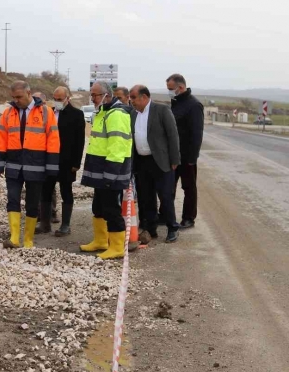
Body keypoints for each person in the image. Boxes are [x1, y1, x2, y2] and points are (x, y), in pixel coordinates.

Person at [0, 81, 60, 248]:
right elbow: (1, 138)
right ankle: (14, 238)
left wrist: (52, 166)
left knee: (32, 203)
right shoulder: (8, 113)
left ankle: (28, 240)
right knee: (13, 200)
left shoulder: (46, 112)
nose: (16, 100)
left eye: (19, 97)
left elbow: (53, 139)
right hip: (14, 165)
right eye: (14, 97)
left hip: (36, 166)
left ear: (29, 94)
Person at [79, 81, 133, 259]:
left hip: (111, 173)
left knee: (111, 210)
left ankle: (117, 247)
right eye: (91, 94)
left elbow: (117, 148)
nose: (92, 98)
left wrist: (110, 176)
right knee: (99, 208)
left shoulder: (116, 115)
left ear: (106, 96)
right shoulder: (103, 113)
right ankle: (101, 241)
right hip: (100, 172)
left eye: (95, 95)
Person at [129, 85, 181, 243]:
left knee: (165, 196)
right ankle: (151, 229)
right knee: (146, 197)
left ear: (144, 97)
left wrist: (174, 160)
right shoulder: (132, 114)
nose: (131, 101)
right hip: (142, 162)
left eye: (133, 98)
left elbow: (173, 136)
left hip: (161, 161)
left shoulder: (161, 110)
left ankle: (172, 227)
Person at [35, 86, 86, 236]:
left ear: (67, 98)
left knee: (66, 191)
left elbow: (80, 141)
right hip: (49, 158)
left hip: (67, 161)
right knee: (46, 191)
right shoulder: (48, 112)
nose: (57, 102)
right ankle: (45, 223)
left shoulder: (76, 115)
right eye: (55, 99)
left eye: (60, 99)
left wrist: (76, 163)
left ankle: (65, 225)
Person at [166, 74, 204, 229]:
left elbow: (197, 133)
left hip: (187, 155)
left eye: (170, 89)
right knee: (168, 187)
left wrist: (192, 157)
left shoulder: (194, 105)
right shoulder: (176, 102)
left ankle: (188, 218)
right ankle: (166, 215)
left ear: (180, 87)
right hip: (173, 155)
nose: (169, 92)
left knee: (188, 188)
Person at [33, 92, 60, 224]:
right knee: (35, 187)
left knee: (50, 187)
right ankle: (39, 213)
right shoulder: (30, 115)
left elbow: (53, 138)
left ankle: (52, 213)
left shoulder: (49, 114)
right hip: (34, 157)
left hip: (48, 156)